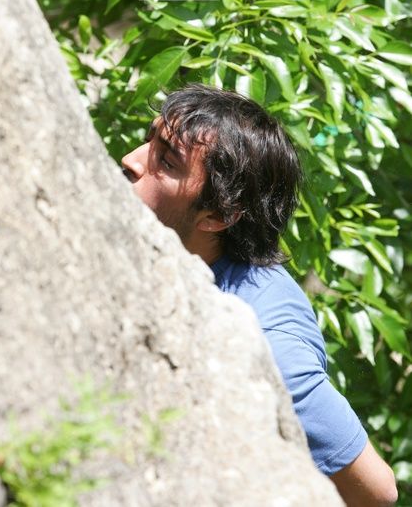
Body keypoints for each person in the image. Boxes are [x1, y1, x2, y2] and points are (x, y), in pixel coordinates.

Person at [121, 83, 398, 507]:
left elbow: (379, 492)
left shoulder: (267, 343)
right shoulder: (171, 249)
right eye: (149, 141)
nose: (132, 161)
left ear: (217, 216)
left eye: (167, 161)